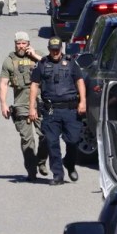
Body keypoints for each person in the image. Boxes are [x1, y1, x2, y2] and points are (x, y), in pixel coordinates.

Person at [28, 37, 86, 185]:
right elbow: (34, 85)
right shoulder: (42, 64)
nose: (55, 52)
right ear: (48, 49)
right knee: (52, 143)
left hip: (70, 109)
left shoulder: (71, 62)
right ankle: (58, 175)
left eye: (57, 49)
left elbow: (79, 81)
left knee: (73, 141)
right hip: (51, 110)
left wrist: (83, 101)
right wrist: (32, 107)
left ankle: (69, 163)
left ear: (61, 48)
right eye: (52, 49)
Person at [0, 32, 49, 182]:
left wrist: (35, 56)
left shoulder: (39, 56)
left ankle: (41, 161)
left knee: (46, 135)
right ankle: (31, 170)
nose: (20, 46)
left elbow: (52, 67)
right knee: (27, 139)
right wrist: (3, 103)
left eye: (23, 43)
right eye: (18, 43)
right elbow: (3, 84)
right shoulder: (9, 61)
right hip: (21, 104)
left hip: (40, 102)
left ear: (28, 43)